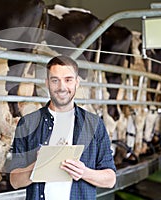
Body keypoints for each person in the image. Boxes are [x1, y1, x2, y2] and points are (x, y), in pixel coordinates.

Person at [9, 55, 116, 200]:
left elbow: (110, 179)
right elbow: (15, 181)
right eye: (55, 80)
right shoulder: (27, 123)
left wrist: (83, 172)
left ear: (77, 83)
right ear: (47, 83)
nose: (62, 87)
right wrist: (38, 166)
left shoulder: (94, 124)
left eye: (68, 80)